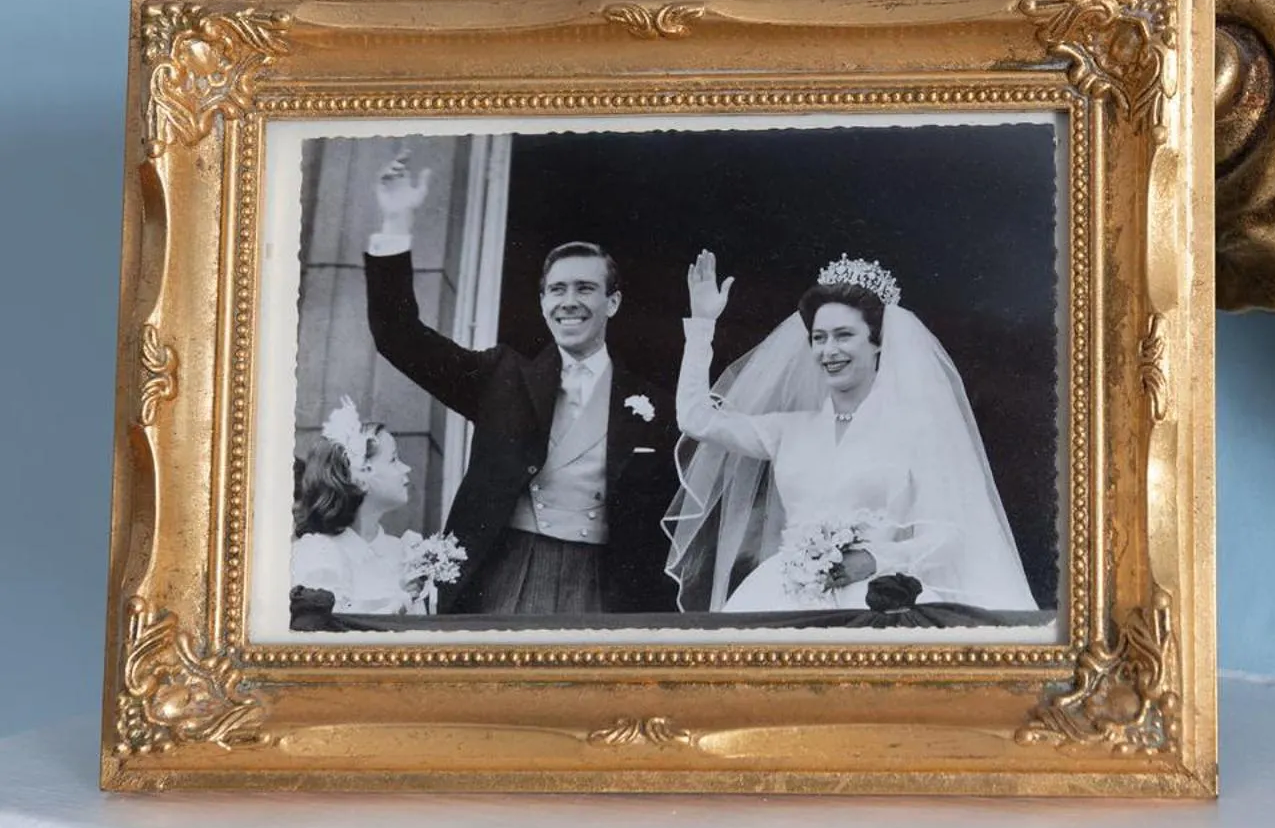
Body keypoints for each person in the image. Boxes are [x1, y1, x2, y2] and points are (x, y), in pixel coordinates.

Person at [363, 148, 678, 615]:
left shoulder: (652, 402)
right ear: (542, 302)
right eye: (557, 289)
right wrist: (395, 222)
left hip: (601, 588)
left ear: (612, 303)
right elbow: (399, 337)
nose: (569, 301)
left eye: (585, 288)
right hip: (504, 575)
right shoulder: (502, 377)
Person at [665, 250, 1037, 616]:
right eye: (819, 337)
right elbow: (696, 419)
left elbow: (948, 534)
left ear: (877, 342)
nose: (829, 350)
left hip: (878, 597)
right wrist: (702, 326)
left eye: (844, 335)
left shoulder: (914, 430)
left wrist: (876, 558)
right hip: (782, 591)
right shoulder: (787, 429)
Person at [291, 398, 423, 615]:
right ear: (360, 478)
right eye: (393, 460)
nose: (406, 468)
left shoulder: (403, 551)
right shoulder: (319, 552)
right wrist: (399, 600)